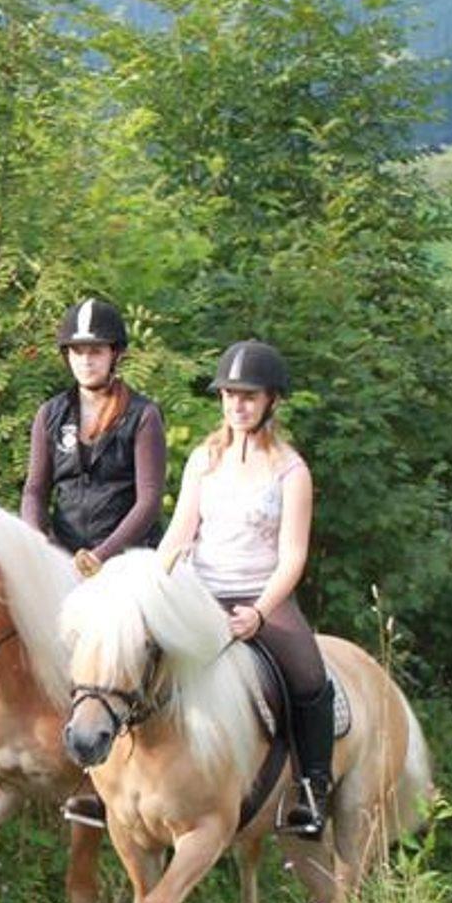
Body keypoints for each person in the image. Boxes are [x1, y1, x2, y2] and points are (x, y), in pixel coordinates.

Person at [155, 338, 334, 838]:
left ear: (271, 401)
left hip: (262, 596)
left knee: (309, 677)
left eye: (249, 396)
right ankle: (99, 774)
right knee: (135, 654)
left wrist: (258, 612)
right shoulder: (203, 460)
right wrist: (152, 584)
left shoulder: (291, 471)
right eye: (230, 395)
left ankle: (312, 790)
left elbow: (293, 556)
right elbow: (179, 533)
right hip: (201, 592)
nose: (237, 405)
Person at [21, 296, 166, 828]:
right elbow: (35, 490)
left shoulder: (143, 416)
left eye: (96, 351)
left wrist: (102, 557)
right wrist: (39, 545)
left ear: (115, 355)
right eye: (78, 351)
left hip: (124, 559)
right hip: (63, 556)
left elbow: (148, 501)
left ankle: (103, 781)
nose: (86, 360)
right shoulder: (50, 414)